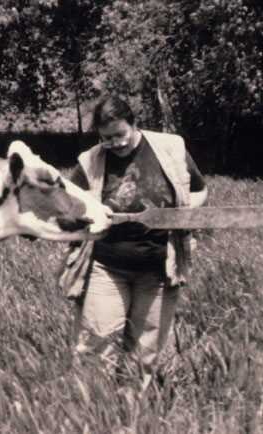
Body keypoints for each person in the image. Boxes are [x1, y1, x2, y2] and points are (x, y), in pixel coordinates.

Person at [59, 96, 208, 388]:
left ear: (134, 124)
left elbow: (200, 190)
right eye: (106, 138)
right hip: (107, 265)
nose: (114, 143)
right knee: (97, 341)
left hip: (159, 267)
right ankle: (92, 410)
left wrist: (184, 215)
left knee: (146, 348)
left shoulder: (169, 148)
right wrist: (88, 213)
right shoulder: (90, 161)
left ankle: (133, 410)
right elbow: (68, 204)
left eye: (120, 135)